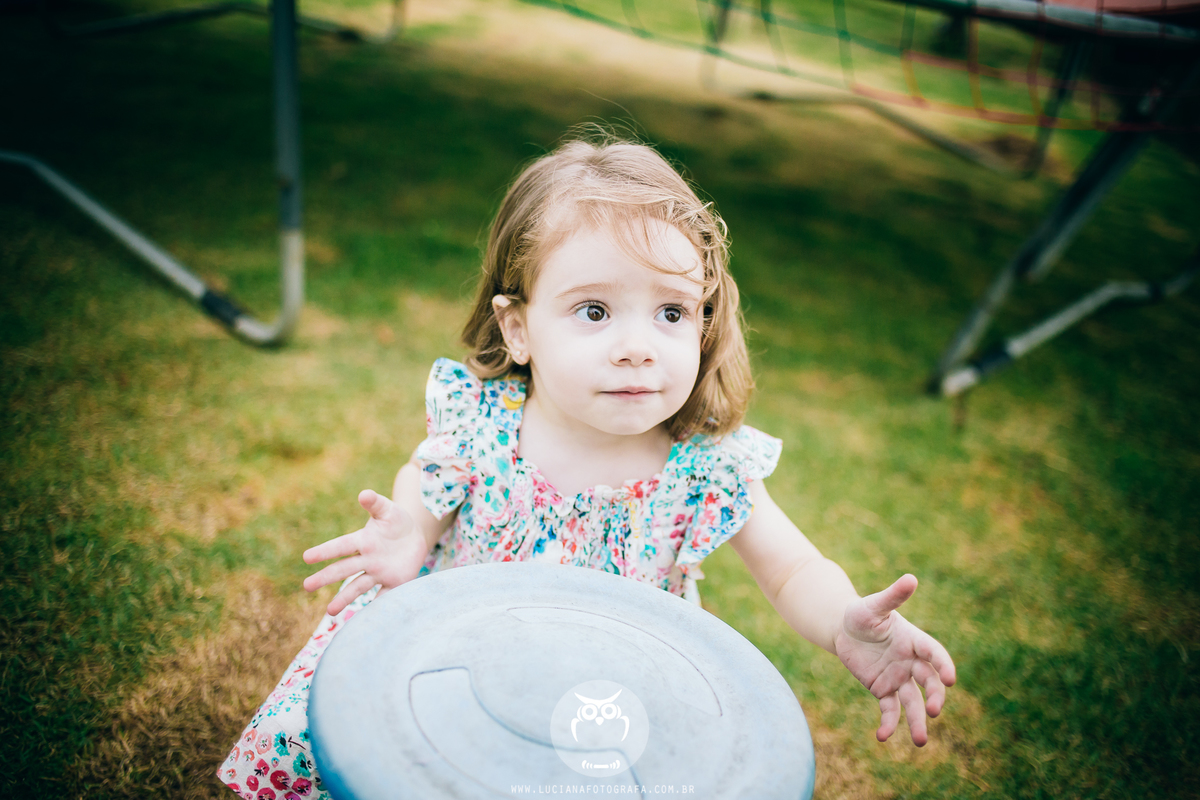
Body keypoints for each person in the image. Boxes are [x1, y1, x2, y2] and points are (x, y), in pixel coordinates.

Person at [218, 132, 956, 800]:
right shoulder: (485, 423)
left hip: (603, 700)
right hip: (462, 670)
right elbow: (426, 487)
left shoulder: (704, 466)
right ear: (518, 328)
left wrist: (844, 625)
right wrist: (409, 532)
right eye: (595, 311)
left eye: (671, 313)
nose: (638, 347)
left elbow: (792, 570)